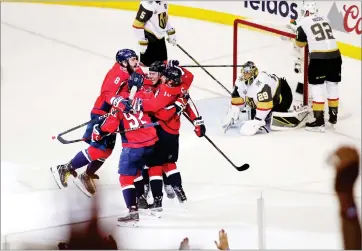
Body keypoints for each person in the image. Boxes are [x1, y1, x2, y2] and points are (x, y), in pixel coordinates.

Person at [50, 49, 143, 197]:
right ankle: (65, 168)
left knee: (106, 151)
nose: (136, 62)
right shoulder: (117, 75)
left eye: (136, 59)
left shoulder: (131, 69)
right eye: (133, 60)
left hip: (114, 115)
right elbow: (107, 94)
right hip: (103, 114)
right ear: (124, 63)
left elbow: (142, 78)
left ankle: (86, 175)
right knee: (99, 149)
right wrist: (119, 101)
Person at [137, 62, 205, 210]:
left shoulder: (164, 90)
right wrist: (197, 121)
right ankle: (180, 192)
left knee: (152, 165)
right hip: (174, 133)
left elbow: (160, 111)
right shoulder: (182, 87)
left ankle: (157, 200)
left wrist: (136, 105)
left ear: (166, 78)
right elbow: (189, 76)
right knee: (170, 164)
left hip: (160, 132)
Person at [93, 73, 158, 225]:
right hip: (150, 143)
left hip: (133, 146)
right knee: (138, 172)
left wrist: (99, 131)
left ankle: (133, 211)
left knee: (125, 177)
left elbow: (111, 125)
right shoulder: (148, 95)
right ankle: (141, 199)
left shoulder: (121, 101)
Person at [295, 1, 342, 132]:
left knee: (317, 88)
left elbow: (300, 44)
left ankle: (319, 121)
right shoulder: (325, 18)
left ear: (307, 12)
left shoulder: (303, 23)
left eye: (304, 12)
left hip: (319, 59)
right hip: (336, 56)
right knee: (332, 86)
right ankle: (333, 117)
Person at [222, 61, 293, 136]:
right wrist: (234, 110)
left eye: (248, 73)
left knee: (271, 113)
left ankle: (274, 111)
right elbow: (237, 95)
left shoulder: (262, 84)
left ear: (253, 74)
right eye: (244, 72)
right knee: (253, 103)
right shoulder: (240, 81)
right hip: (264, 99)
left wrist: (258, 121)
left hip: (282, 94)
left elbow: (266, 104)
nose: (245, 75)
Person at [132, 0, 177, 66]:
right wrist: (142, 42)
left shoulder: (164, 2)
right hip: (149, 38)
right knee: (147, 67)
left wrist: (170, 32)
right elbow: (137, 24)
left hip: (160, 38)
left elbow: (164, 18)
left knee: (163, 65)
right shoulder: (147, 5)